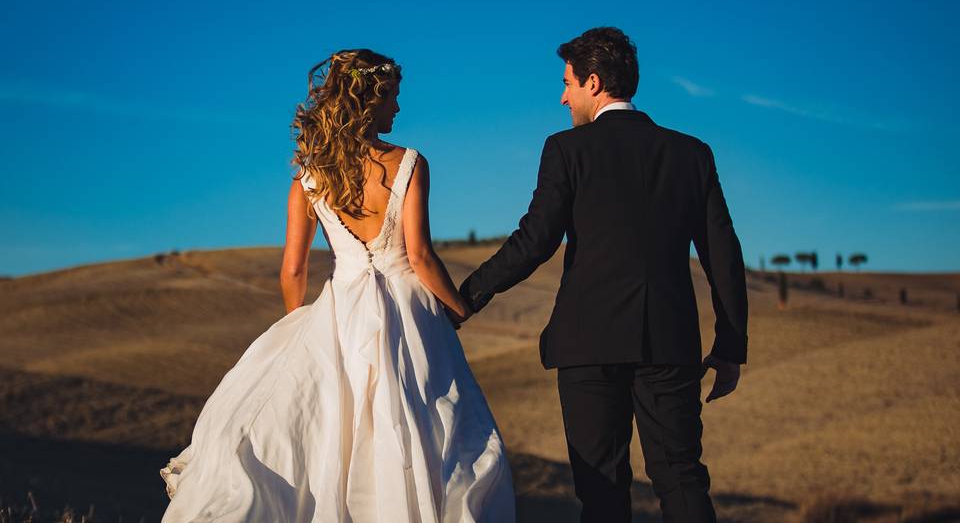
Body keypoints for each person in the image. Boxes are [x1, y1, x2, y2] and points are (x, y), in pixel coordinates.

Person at [159, 49, 515, 522]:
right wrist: (459, 310)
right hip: (411, 315)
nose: (398, 110)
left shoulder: (307, 181)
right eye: (393, 98)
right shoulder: (408, 163)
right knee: (428, 432)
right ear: (371, 99)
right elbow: (421, 257)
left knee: (335, 437)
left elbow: (292, 271)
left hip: (341, 313)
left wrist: (299, 329)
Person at [457, 27, 748, 522]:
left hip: (589, 345)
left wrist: (466, 295)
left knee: (602, 488)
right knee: (681, 476)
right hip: (668, 345)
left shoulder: (567, 150)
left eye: (568, 82)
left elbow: (535, 240)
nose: (563, 95)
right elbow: (723, 250)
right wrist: (730, 345)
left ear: (594, 82)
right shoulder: (691, 153)